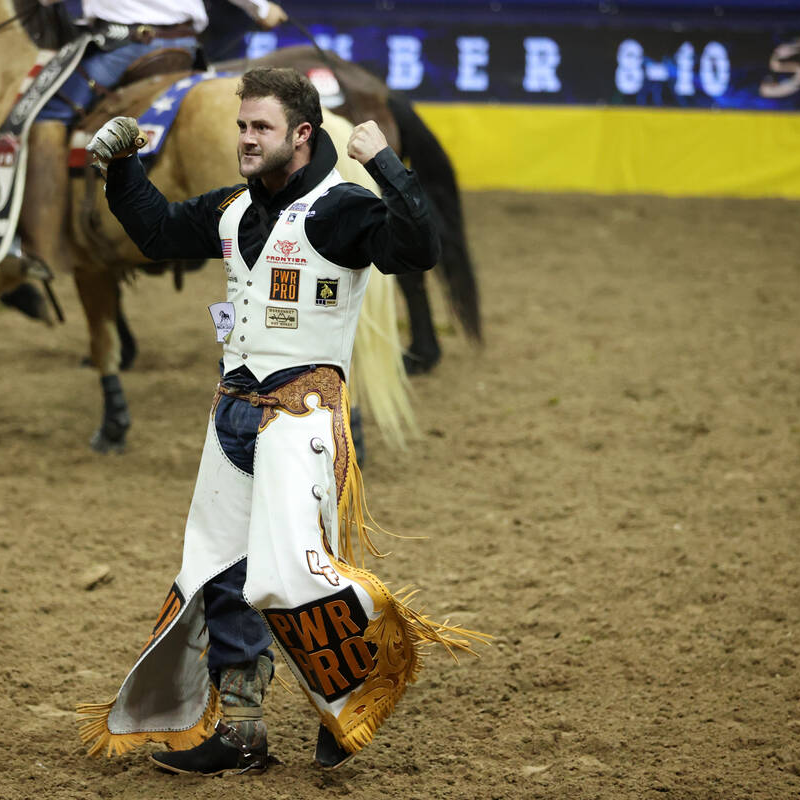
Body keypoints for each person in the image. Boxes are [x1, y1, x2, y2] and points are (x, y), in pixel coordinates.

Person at [78, 67, 482, 775]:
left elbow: (421, 249)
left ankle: (360, 692)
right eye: (241, 126)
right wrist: (120, 168)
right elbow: (159, 231)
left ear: (301, 135)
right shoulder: (236, 209)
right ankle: (240, 731)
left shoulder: (341, 210)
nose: (245, 139)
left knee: (292, 576)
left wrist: (385, 161)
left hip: (302, 420)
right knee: (220, 572)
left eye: (259, 127)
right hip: (232, 413)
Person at [28, 0, 287, 271]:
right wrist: (262, 9)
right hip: (185, 48)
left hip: (120, 46)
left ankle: (42, 248)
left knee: (50, 112)